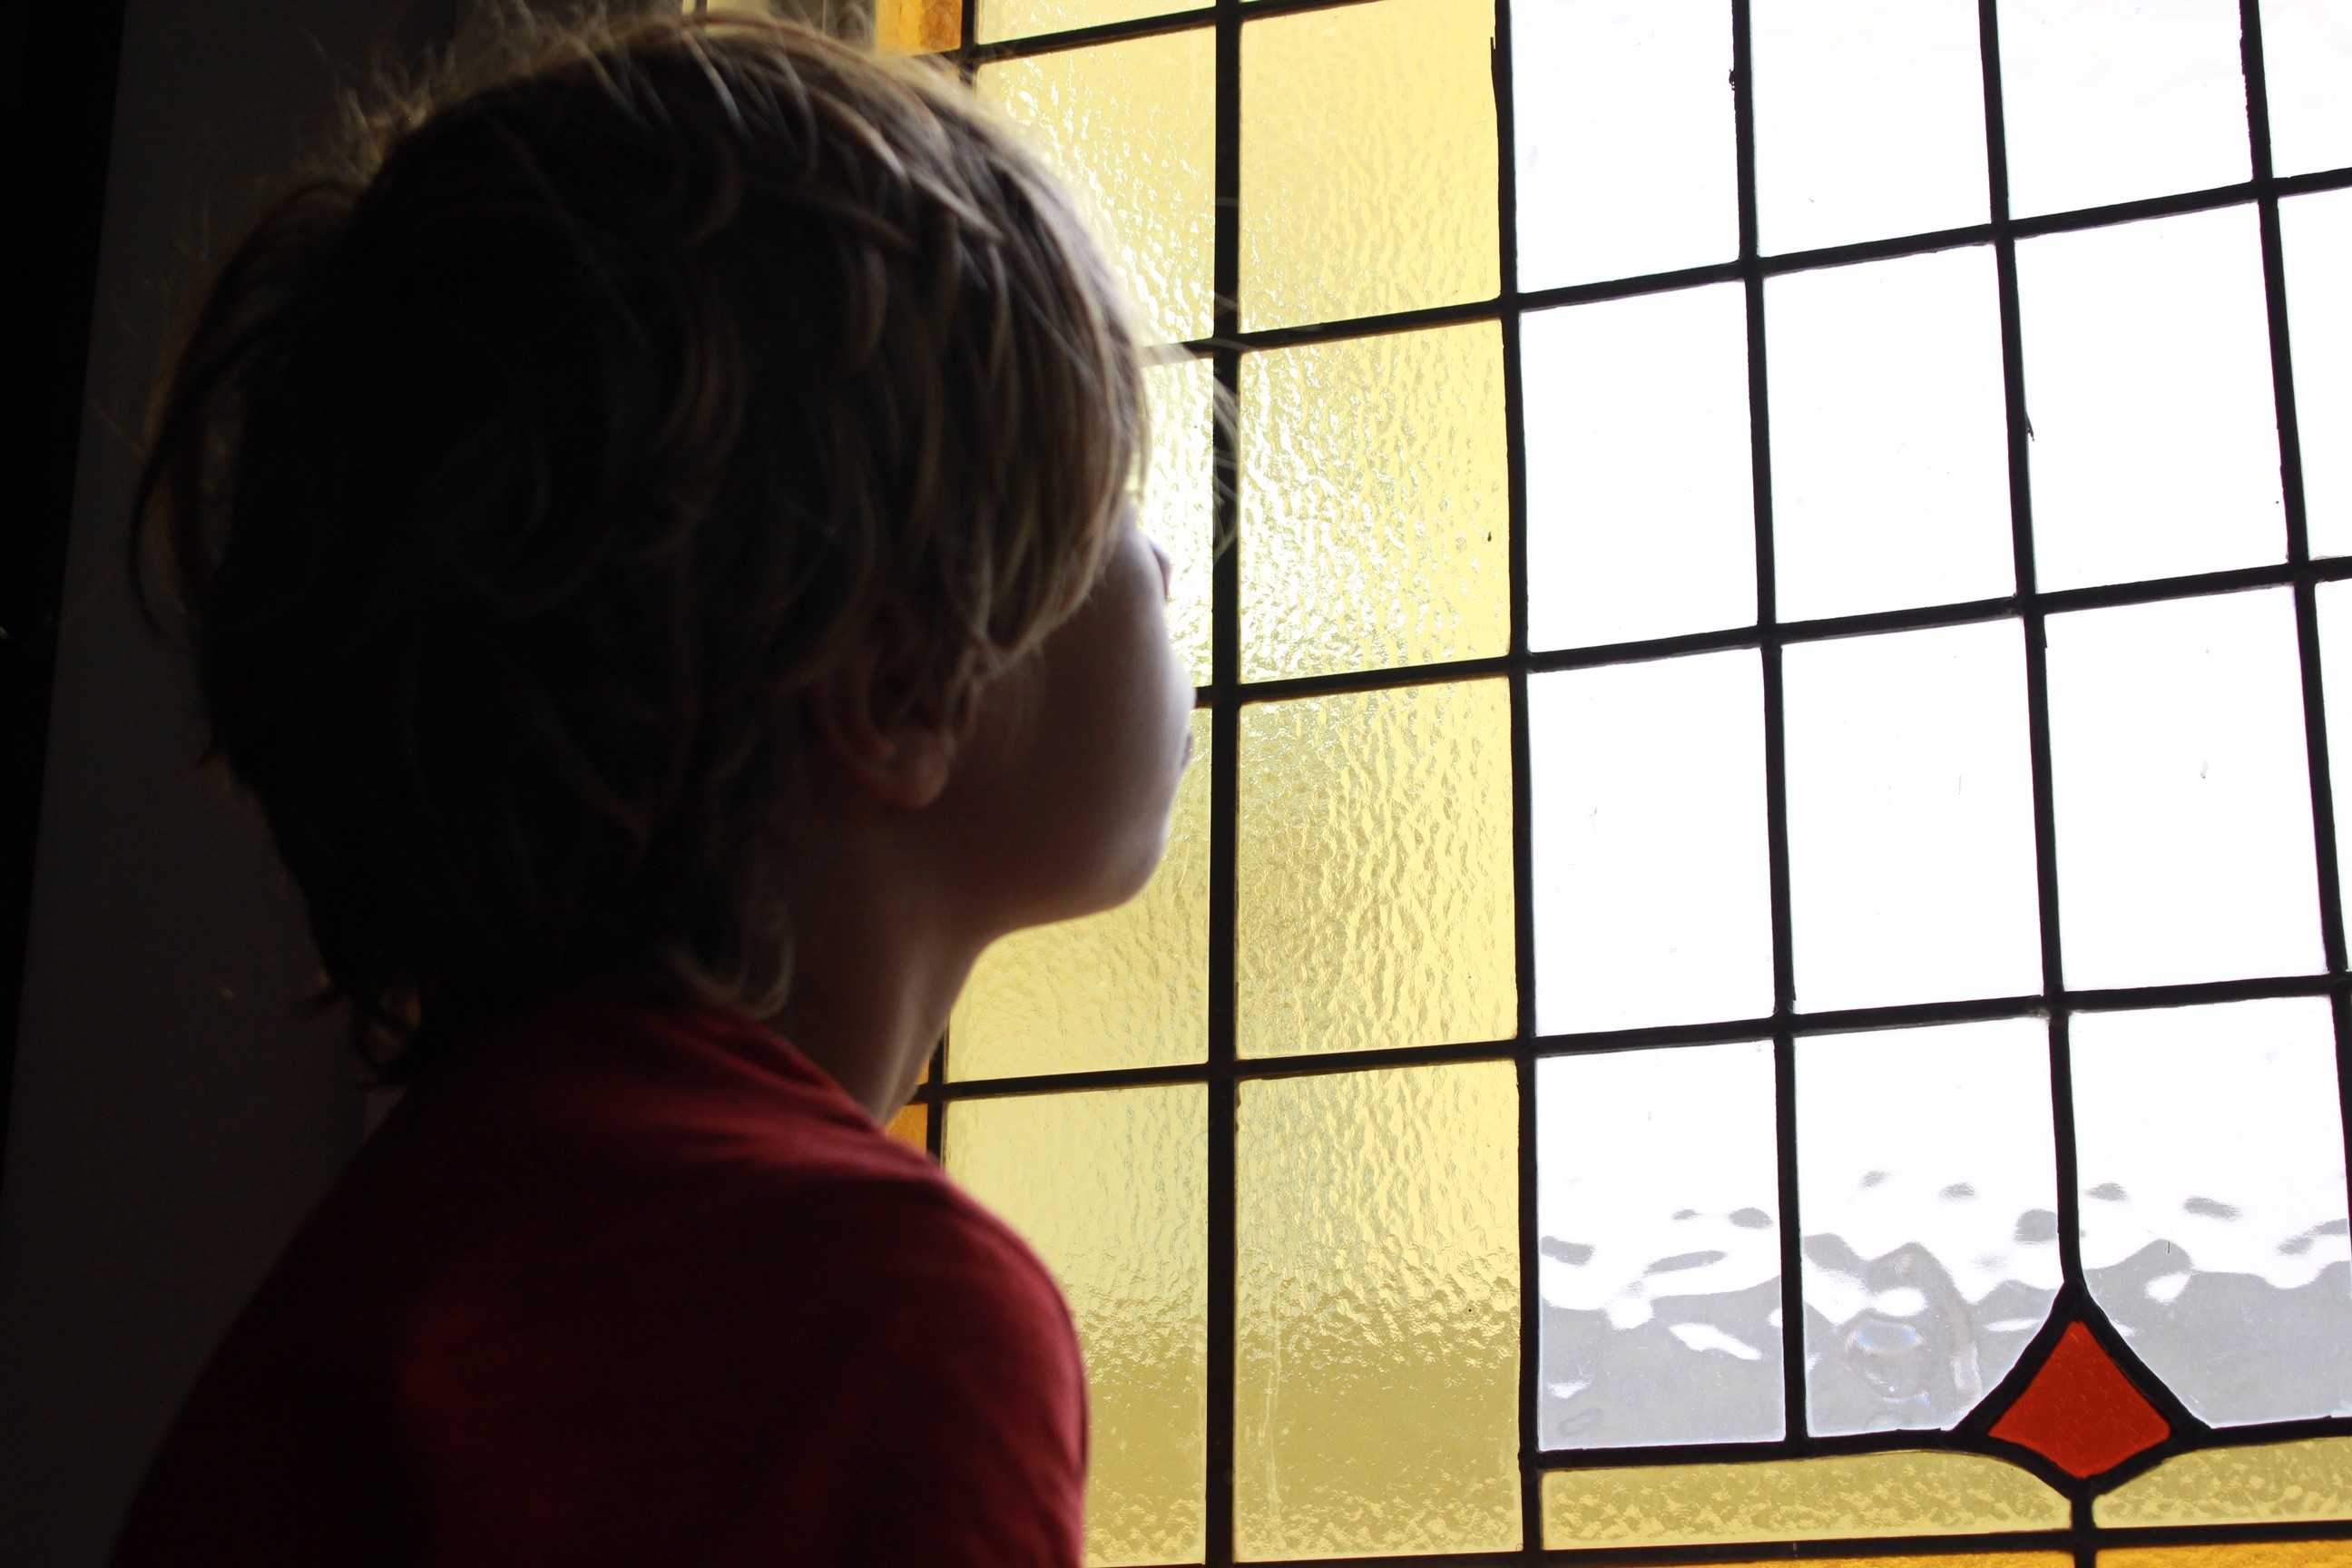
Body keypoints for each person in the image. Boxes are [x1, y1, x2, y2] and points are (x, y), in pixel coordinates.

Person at [113, 10, 1193, 1563]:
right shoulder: (849, 1305)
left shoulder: (425, 1244)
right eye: (1109, 503)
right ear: (900, 686)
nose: (1163, 564)